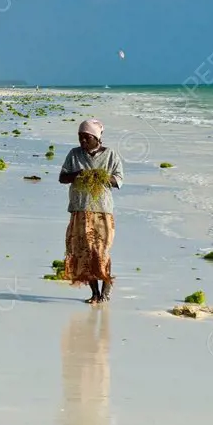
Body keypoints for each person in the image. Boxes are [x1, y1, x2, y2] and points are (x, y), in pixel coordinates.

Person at [58, 119, 124, 304]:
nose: (83, 141)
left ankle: (106, 288)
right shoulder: (74, 154)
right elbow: (62, 177)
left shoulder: (110, 155)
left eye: (87, 137)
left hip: (102, 212)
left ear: (96, 138)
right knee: (85, 252)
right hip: (80, 209)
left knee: (101, 251)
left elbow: (119, 180)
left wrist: (102, 177)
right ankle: (95, 293)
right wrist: (77, 174)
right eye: (80, 137)